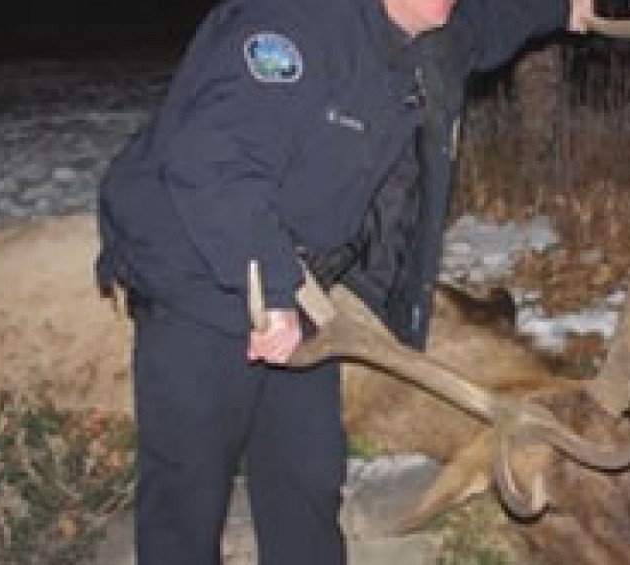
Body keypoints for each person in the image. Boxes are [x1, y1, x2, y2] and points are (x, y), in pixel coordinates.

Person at [95, 0, 593, 563]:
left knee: (307, 479)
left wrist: (563, 6)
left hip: (295, 277)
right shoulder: (289, 28)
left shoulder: (426, 31)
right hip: (195, 268)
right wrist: (277, 297)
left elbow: (485, 27)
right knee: (188, 492)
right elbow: (211, 162)